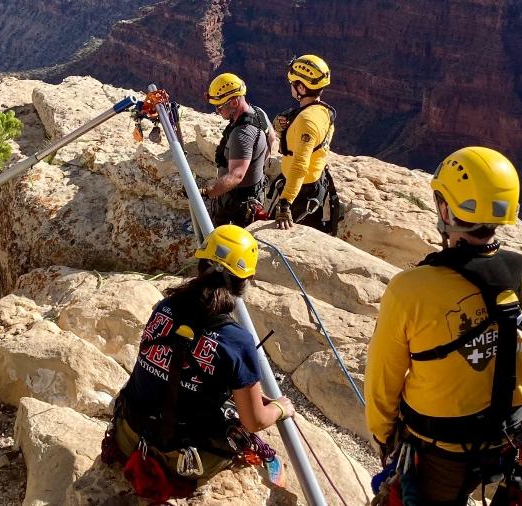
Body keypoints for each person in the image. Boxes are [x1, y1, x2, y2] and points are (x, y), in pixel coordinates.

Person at [364, 147, 522, 505]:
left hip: (439, 456)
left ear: (445, 209)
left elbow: (382, 383)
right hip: (510, 444)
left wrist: (384, 437)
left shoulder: (410, 290)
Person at [101, 225, 295, 502]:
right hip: (181, 460)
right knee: (238, 429)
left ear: (201, 265)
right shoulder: (236, 341)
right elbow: (254, 422)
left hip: (129, 434)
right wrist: (280, 408)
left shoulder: (165, 307)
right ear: (246, 279)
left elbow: (171, 367)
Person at [270, 54, 343, 235]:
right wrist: (282, 129)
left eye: (293, 83)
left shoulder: (306, 121)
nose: (291, 87)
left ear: (301, 87)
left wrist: (285, 203)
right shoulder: (322, 111)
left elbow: (300, 166)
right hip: (313, 184)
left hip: (301, 193)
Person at [202, 73, 276, 227]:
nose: (217, 111)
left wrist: (207, 192)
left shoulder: (242, 133)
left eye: (219, 106)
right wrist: (256, 165)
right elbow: (272, 139)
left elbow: (236, 175)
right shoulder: (258, 112)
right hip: (254, 194)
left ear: (234, 102)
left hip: (236, 207)